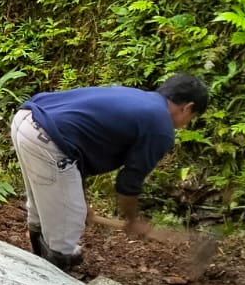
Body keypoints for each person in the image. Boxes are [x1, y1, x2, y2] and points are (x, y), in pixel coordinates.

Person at [10, 73, 209, 271]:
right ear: (187, 108)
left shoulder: (135, 98)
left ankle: (38, 265)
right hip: (48, 137)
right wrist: (132, 220)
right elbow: (128, 184)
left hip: (27, 119)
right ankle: (52, 278)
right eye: (192, 117)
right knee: (65, 234)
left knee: (41, 207)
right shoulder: (160, 127)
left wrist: (76, 200)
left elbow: (79, 142)